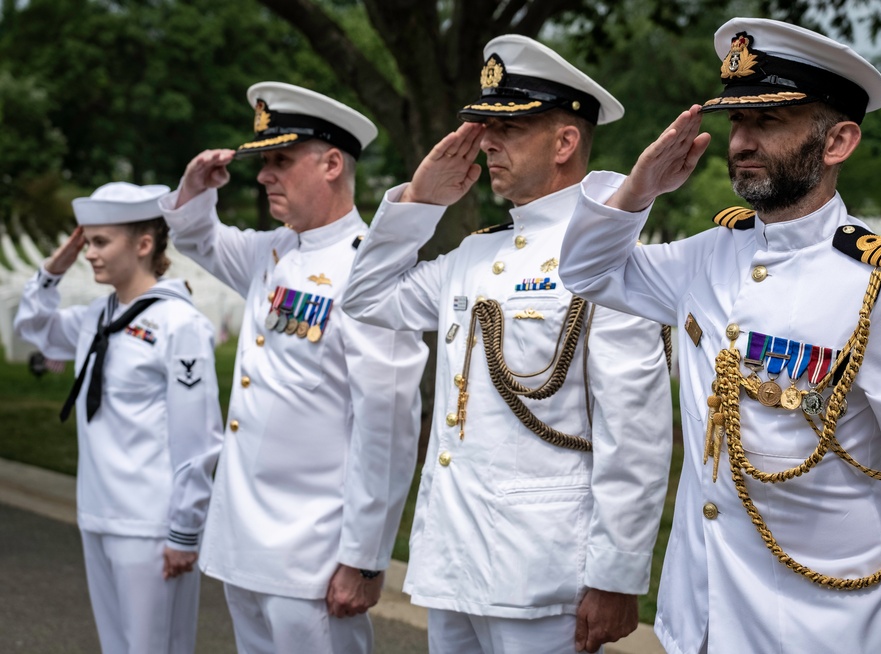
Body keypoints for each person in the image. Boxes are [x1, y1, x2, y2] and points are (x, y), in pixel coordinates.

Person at [558, 17, 881, 654]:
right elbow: (587, 271)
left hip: (827, 627)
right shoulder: (709, 255)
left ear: (838, 141)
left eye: (770, 121)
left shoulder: (880, 287)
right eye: (736, 123)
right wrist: (641, 185)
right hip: (698, 617)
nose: (742, 142)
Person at [342, 35, 673, 654]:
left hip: (543, 574)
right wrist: (418, 203)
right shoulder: (475, 254)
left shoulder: (607, 257)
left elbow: (637, 431)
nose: (488, 142)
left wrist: (616, 576)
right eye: (486, 127)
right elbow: (366, 299)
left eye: (509, 128)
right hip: (453, 564)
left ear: (565, 141)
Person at [158, 82, 427, 654]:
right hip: (245, 545)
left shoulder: (369, 272)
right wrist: (193, 187)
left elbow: (388, 426)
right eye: (263, 163)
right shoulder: (272, 252)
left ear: (332, 163)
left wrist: (364, 558)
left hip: (314, 557)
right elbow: (195, 236)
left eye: (280, 160)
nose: (263, 176)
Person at [15, 182, 224, 654]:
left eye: (100, 241)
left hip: (150, 524)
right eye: (87, 242)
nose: (89, 253)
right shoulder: (97, 315)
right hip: (98, 513)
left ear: (144, 244)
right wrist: (52, 271)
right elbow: (33, 328)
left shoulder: (179, 324)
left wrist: (184, 531)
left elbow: (199, 439)